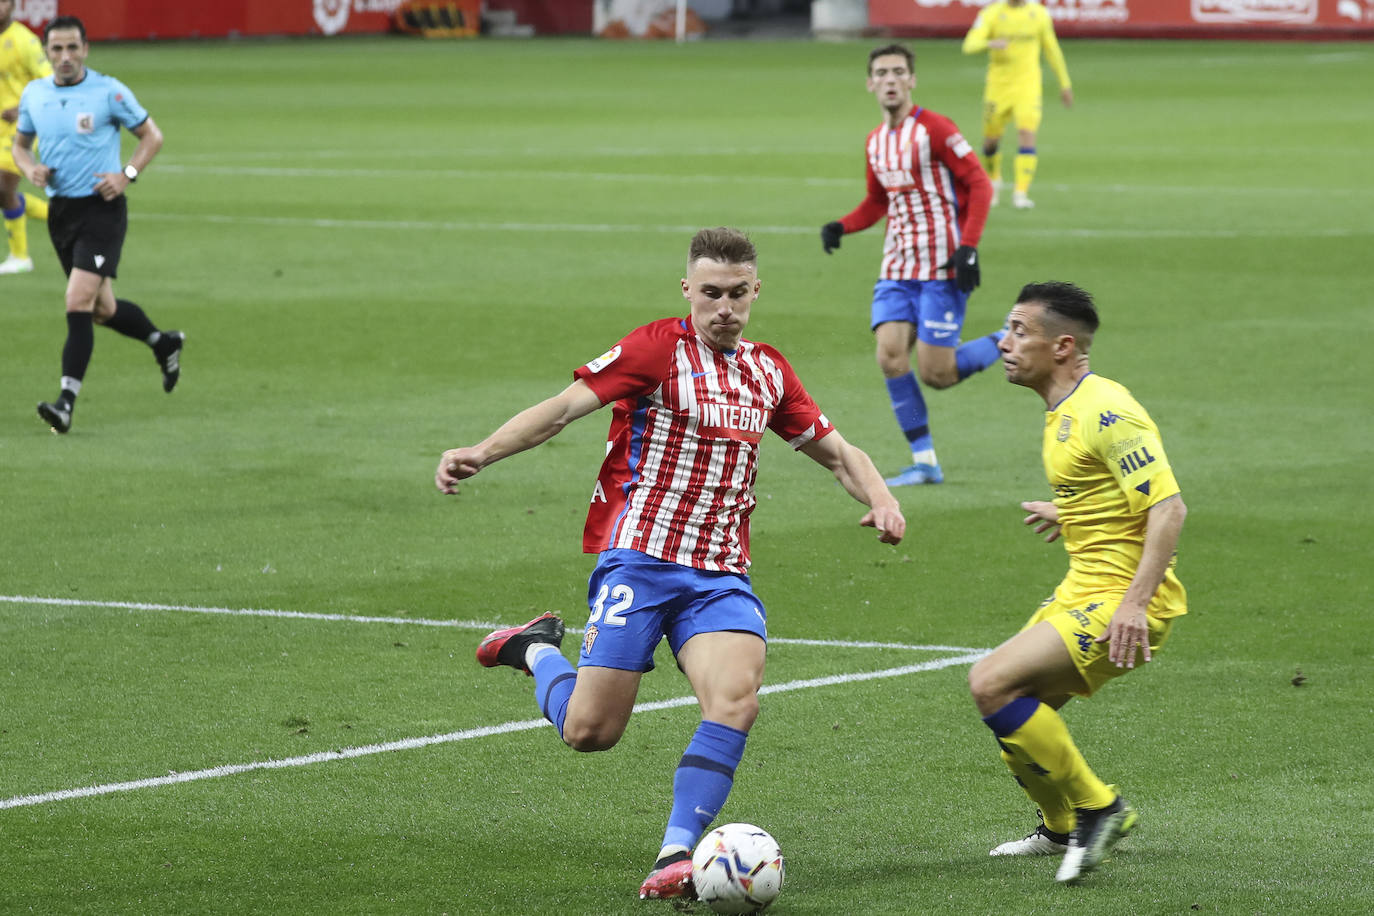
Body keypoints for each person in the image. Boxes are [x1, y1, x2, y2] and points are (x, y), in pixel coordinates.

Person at [436, 228, 906, 901]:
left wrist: (882, 498)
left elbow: (837, 452)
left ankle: (676, 853)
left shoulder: (767, 370)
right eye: (710, 293)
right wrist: (482, 451)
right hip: (641, 562)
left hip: (718, 578)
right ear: (687, 290)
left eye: (737, 294)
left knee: (736, 701)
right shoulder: (657, 349)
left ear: (754, 292)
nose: (724, 308)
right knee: (590, 732)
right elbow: (562, 410)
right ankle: (534, 651)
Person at [969, 281, 1187, 883]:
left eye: (1019, 331)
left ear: (1063, 346)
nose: (1004, 343)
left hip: (1122, 597)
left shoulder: (1105, 410)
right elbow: (1119, 496)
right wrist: (1072, 512)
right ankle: (1060, 827)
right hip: (1084, 584)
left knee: (989, 682)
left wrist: (1134, 606)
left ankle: (1100, 809)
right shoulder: (1064, 410)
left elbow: (1168, 508)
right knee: (1016, 707)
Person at [819, 43, 1002, 487]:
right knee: (889, 356)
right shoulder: (875, 141)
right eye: (881, 73)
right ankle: (925, 461)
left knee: (937, 374)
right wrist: (844, 225)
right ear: (870, 83)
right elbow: (877, 201)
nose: (890, 80)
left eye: (899, 72)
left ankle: (1010, 336)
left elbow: (979, 183)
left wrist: (969, 246)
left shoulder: (935, 128)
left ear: (912, 80)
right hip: (896, 267)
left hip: (943, 267)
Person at [13, 15, 183, 434]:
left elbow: (152, 136)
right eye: (57, 49)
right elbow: (19, 146)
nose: (65, 57)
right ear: (47, 53)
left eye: (73, 48)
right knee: (103, 310)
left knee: (77, 301)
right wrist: (30, 168)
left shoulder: (109, 91)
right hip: (61, 213)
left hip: (102, 210)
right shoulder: (35, 94)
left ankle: (65, 404)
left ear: (86, 49)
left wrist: (126, 175)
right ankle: (164, 343)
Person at [961, 0, 1073, 210]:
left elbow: (1052, 49)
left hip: (1028, 86)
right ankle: (994, 180)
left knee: (1026, 133)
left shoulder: (1039, 14)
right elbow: (969, 44)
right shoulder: (992, 13)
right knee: (990, 142)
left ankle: (1021, 193)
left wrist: (1064, 83)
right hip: (998, 88)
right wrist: (989, 43)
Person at [0, 0, 51, 275]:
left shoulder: (25, 42)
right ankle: (59, 215)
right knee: (2, 193)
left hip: (20, 127)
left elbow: (49, 81)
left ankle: (20, 257)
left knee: (2, 187)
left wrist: (19, 107)